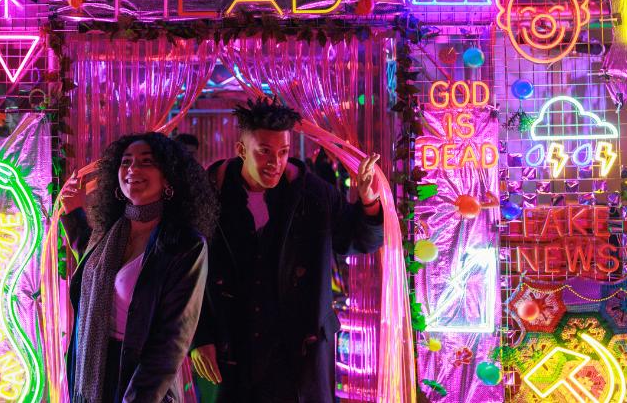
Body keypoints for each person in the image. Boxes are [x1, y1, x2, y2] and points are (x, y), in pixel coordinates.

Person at [189, 98, 385, 403]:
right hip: (231, 344)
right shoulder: (207, 196)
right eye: (264, 151)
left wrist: (369, 202)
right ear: (241, 150)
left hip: (299, 348)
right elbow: (186, 274)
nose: (274, 162)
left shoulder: (314, 194)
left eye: (282, 152)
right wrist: (199, 336)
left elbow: (357, 242)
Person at [60, 132, 218, 403]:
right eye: (126, 162)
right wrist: (73, 214)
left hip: (141, 380)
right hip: (91, 370)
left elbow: (172, 340)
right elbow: (98, 270)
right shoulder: (111, 231)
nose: (133, 169)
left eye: (146, 162)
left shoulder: (185, 245)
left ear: (167, 177)